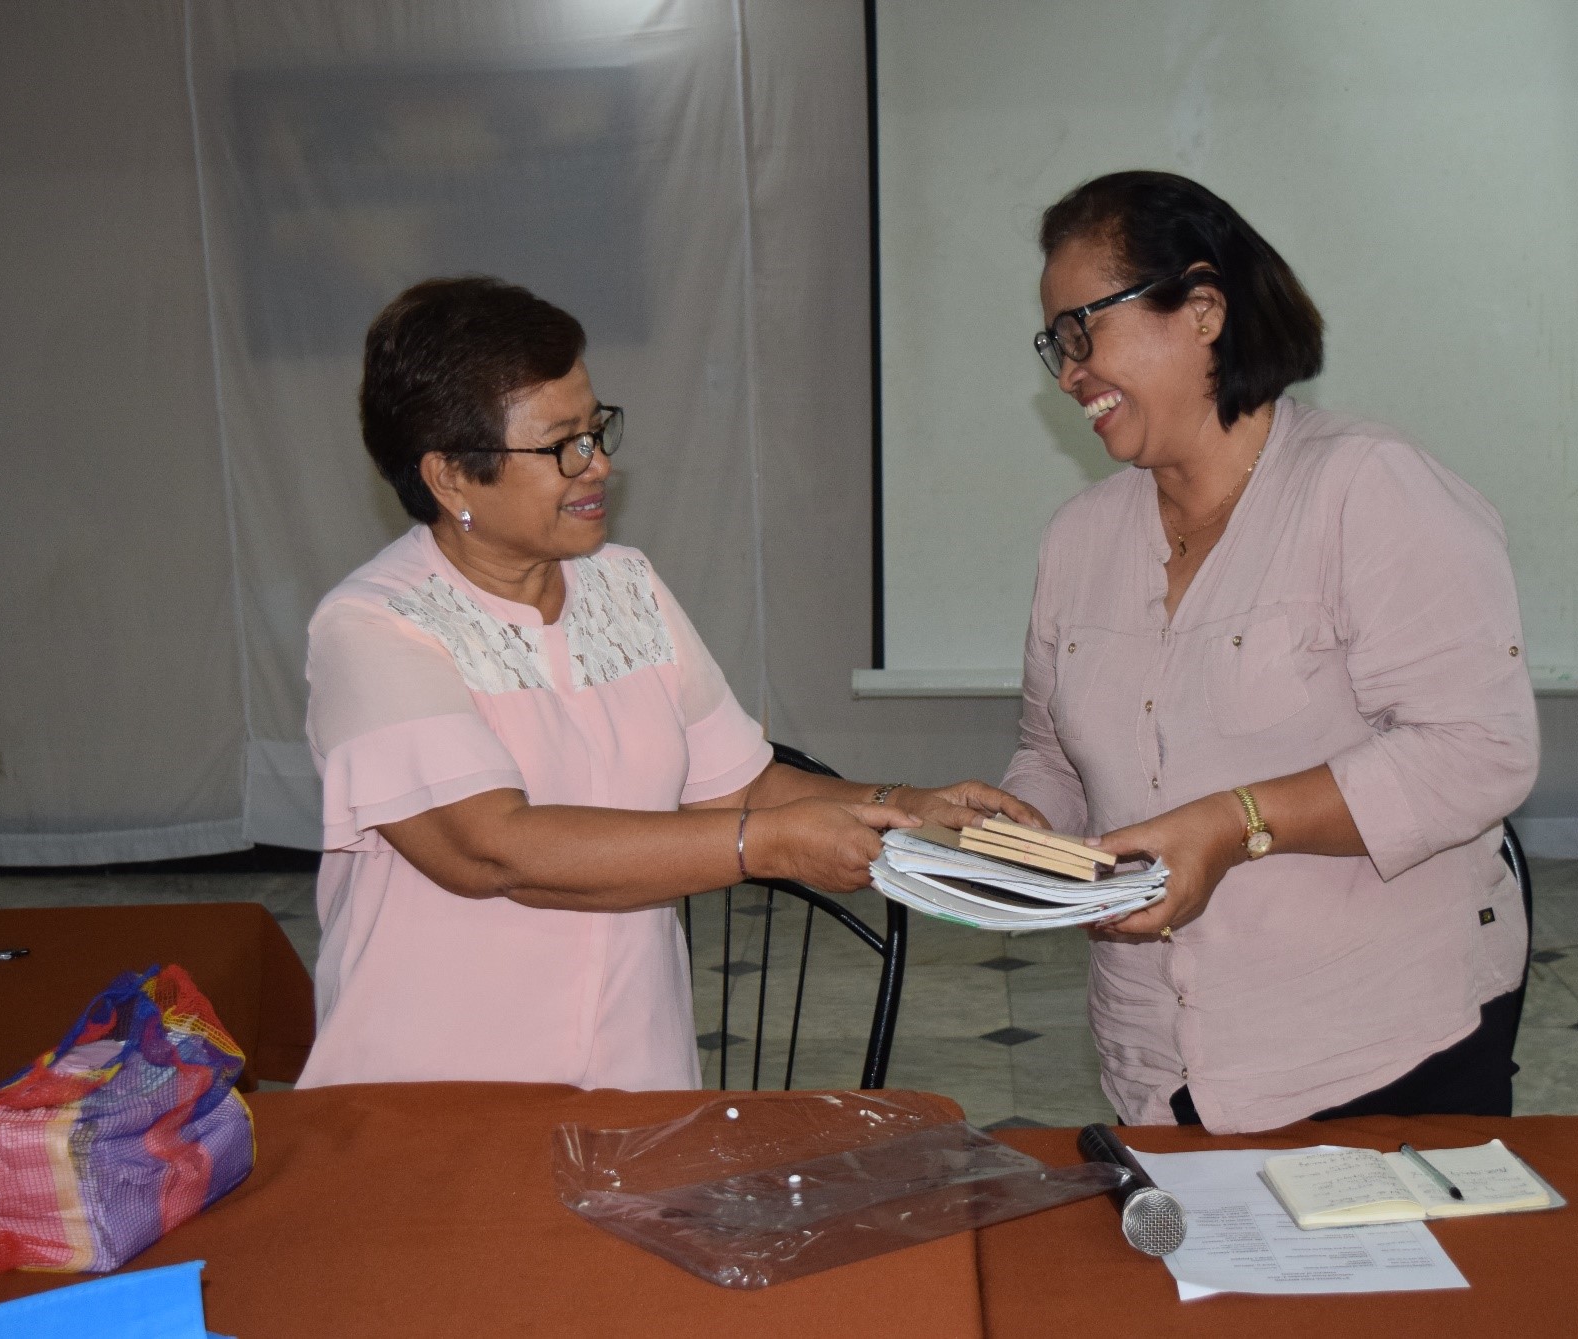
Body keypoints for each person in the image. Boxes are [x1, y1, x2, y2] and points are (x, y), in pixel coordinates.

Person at [298, 276, 1039, 1089]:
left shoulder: (625, 586)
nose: (599, 464)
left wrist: (905, 804)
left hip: (633, 1075)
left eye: (597, 429)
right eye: (563, 445)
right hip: (437, 1087)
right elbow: (492, 848)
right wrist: (763, 846)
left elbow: (737, 786)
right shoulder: (374, 627)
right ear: (448, 477)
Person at [1000, 172, 1539, 1134]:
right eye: (1055, 345)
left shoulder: (1366, 487)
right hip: (1154, 1059)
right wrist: (1014, 834)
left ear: (1202, 309)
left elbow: (1478, 750)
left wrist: (1234, 822)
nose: (1069, 372)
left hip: (1378, 1047)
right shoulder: (1077, 538)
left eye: (1082, 330)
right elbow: (1054, 755)